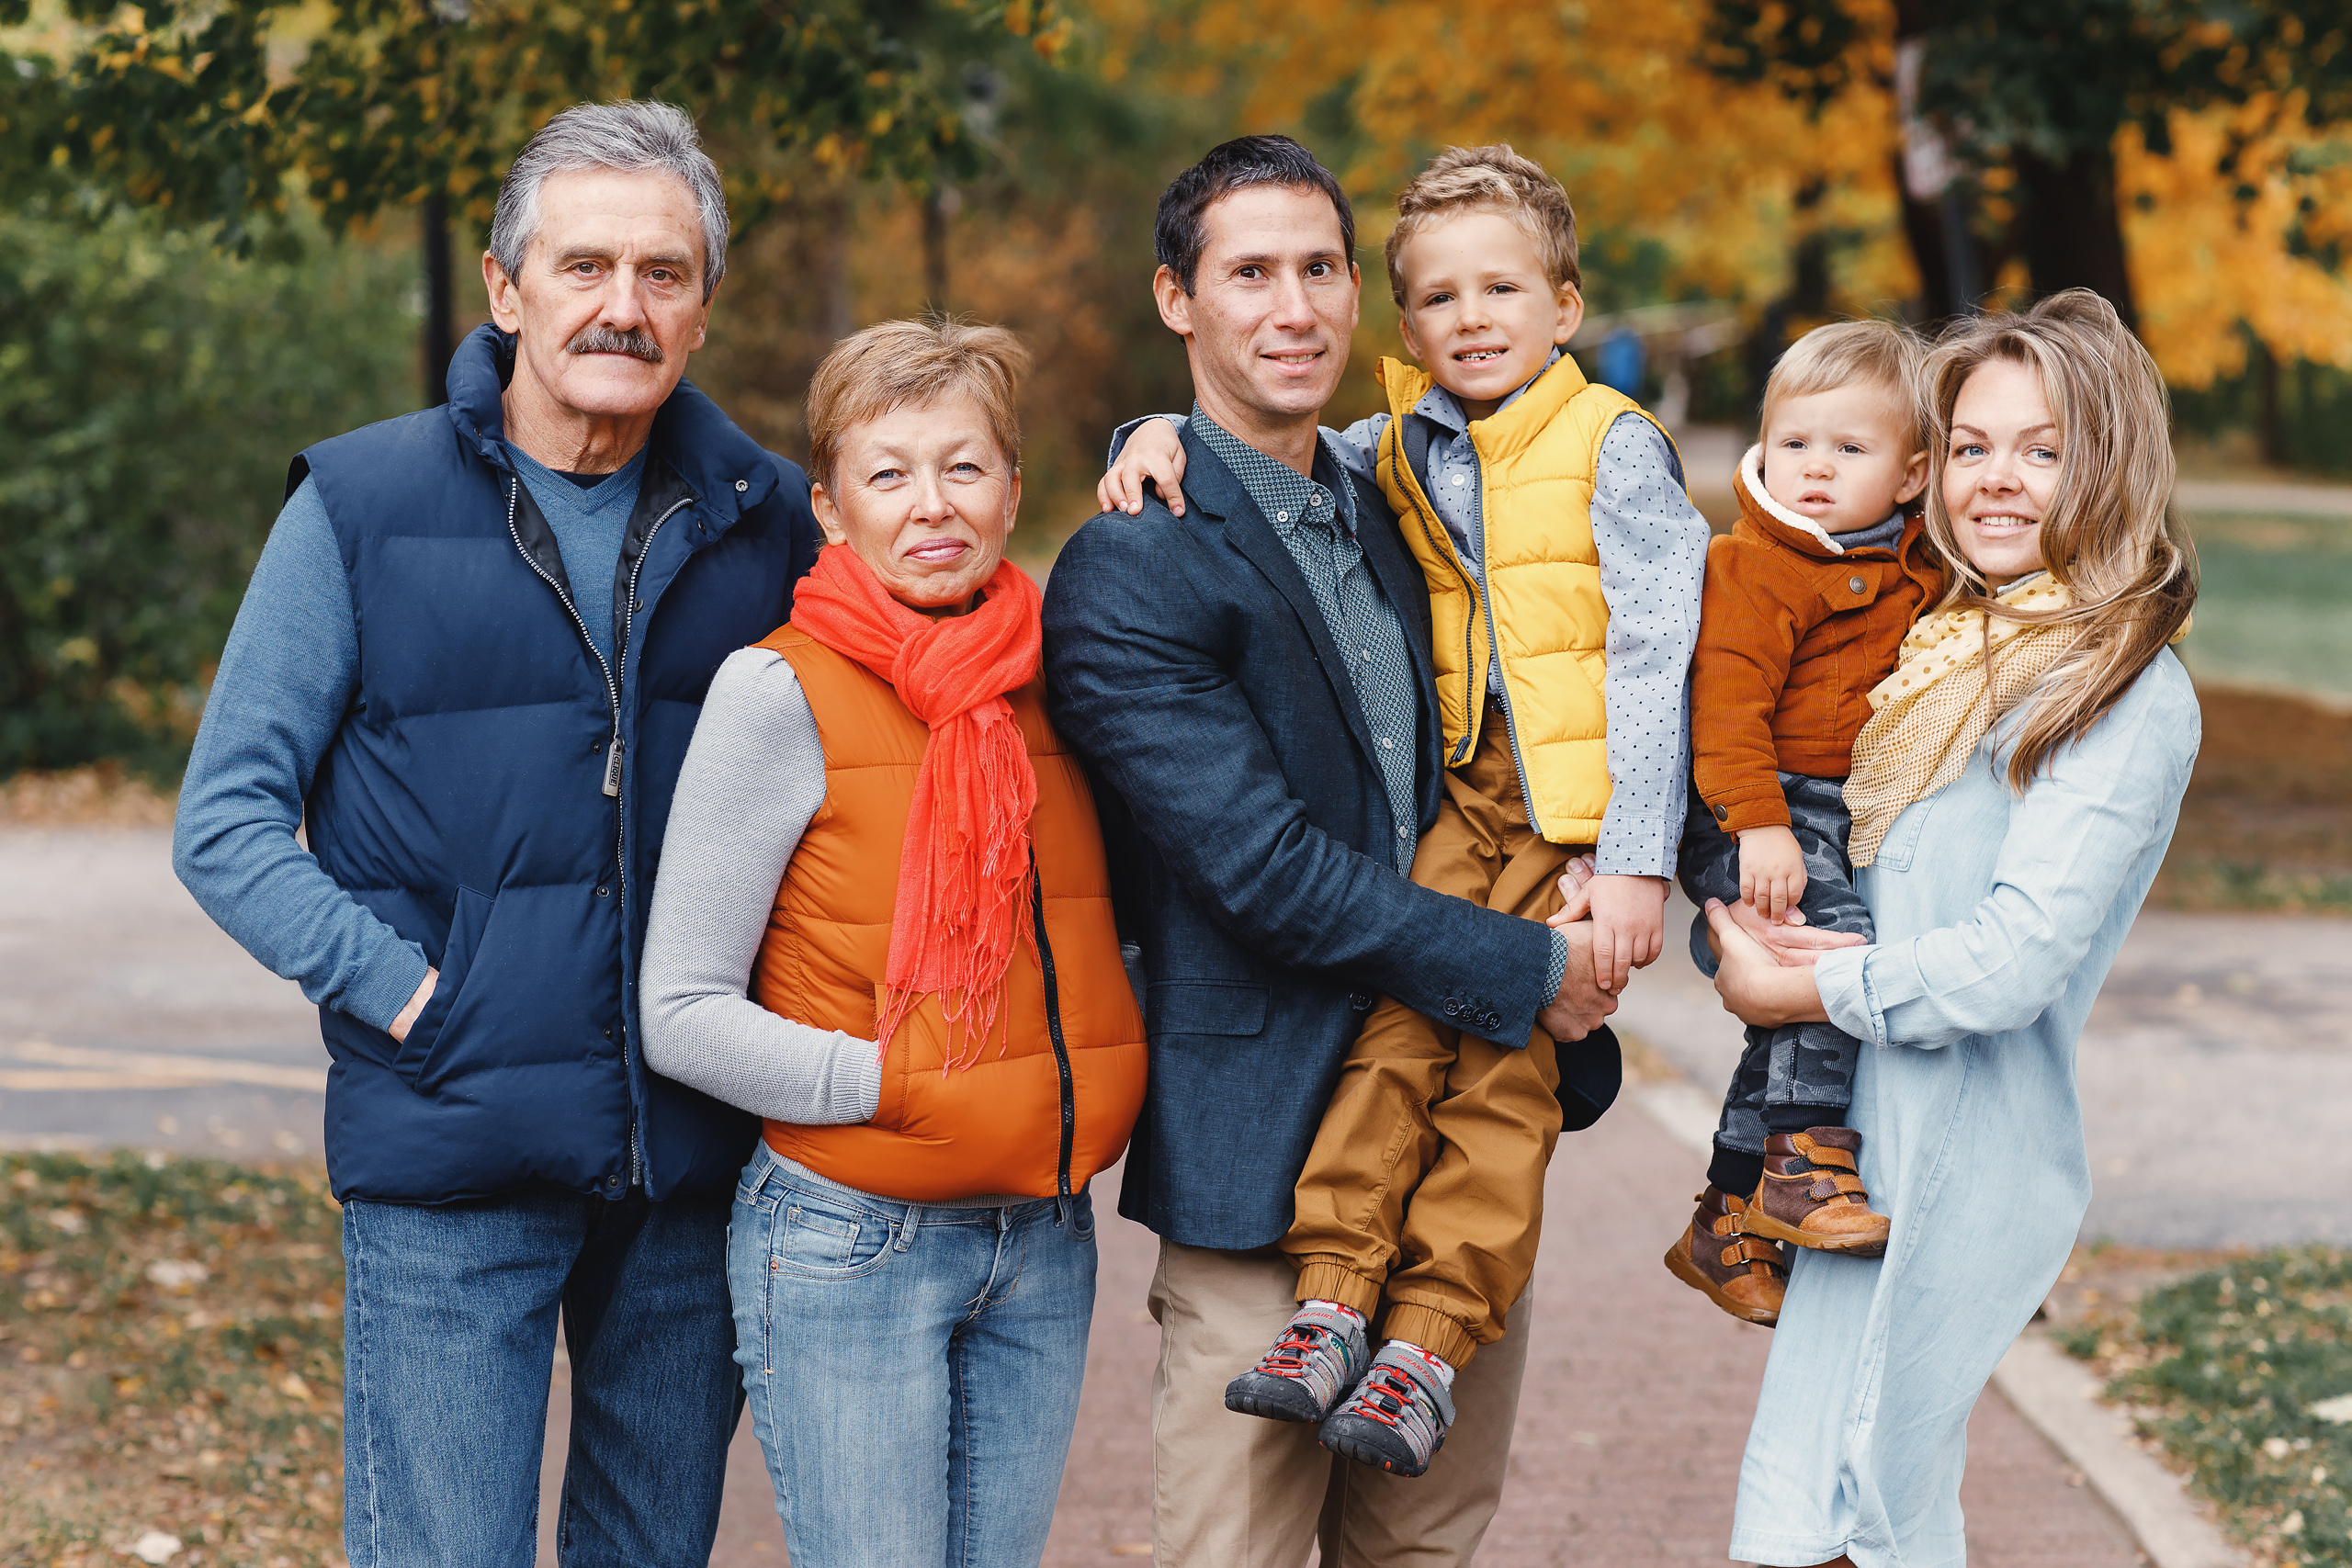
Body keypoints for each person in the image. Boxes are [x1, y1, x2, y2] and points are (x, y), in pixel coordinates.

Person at [171, 102, 823, 1566]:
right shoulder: (360, 501)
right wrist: (409, 992)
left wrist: (1150, 452)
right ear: (505, 287)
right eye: (584, 263)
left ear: (705, 309)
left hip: (689, 1152)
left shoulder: (769, 515)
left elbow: (945, 596)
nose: (623, 304)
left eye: (664, 272)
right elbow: (224, 821)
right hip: (451, 1138)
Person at [1044, 135, 1620, 1567]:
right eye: (1250, 273)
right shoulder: (1135, 561)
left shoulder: (1404, 499)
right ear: (1178, 299)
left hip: (1451, 1148)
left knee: (1425, 1546)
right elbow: (1261, 868)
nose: (1293, 307)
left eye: (1319, 269)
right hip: (1263, 1152)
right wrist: (1532, 962)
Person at [1701, 288, 2199, 1568]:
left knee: (1873, 1506)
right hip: (1857, 1143)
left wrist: (1810, 991)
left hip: (1963, 1157)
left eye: (2042, 449)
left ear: (2111, 458)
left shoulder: (2120, 681)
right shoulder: (1933, 636)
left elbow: (2017, 960)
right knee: (1797, 1506)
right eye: (1971, 446)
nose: (1996, 481)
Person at [638, 317, 1147, 1568]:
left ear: (1015, 487)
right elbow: (682, 1006)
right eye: (890, 472)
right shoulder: (777, 691)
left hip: (1042, 1237)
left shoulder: (1065, 673)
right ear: (830, 506)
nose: (933, 506)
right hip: (847, 1239)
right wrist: (897, 1084)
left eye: (965, 467)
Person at [1664, 320, 1945, 1326]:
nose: (1814, 469)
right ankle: (1803, 1167)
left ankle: (1725, 1216)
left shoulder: (1917, 563)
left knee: (1783, 1016)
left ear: (1912, 476)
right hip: (1758, 803)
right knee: (1829, 960)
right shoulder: (1754, 566)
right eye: (1795, 444)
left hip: (1827, 808)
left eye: (1849, 449)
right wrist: (1759, 830)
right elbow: (1726, 709)